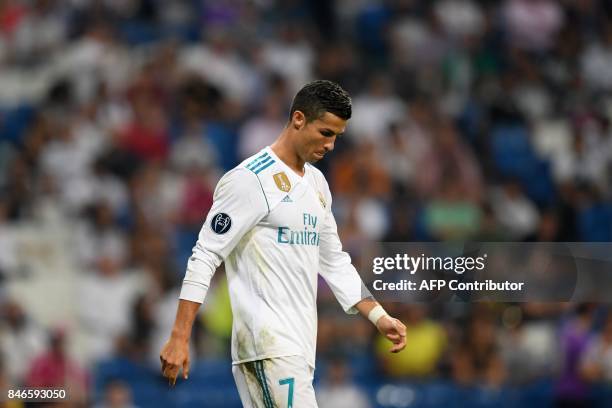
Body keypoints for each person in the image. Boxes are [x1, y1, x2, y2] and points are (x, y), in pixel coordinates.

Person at [159, 80, 407, 407]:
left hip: (300, 346)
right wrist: (180, 334)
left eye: (337, 136)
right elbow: (205, 254)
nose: (331, 145)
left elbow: (334, 261)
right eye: (326, 133)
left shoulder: (317, 183)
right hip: (267, 346)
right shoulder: (249, 180)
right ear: (299, 119)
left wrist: (378, 316)